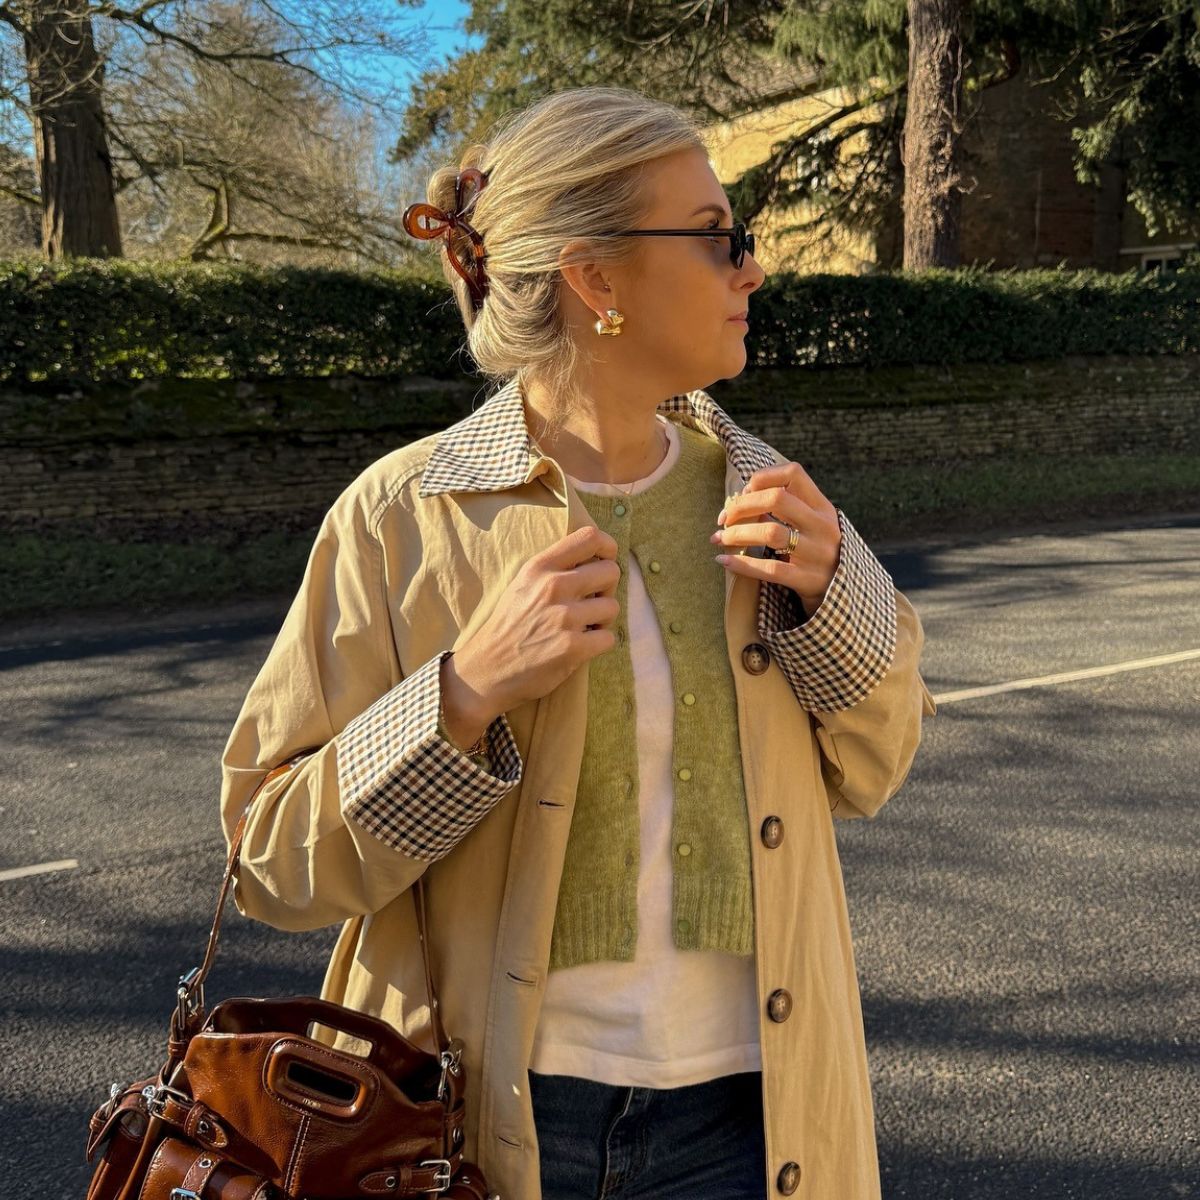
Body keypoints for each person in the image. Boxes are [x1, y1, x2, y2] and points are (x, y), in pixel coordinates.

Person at [219, 84, 936, 1200]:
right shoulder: (402, 519)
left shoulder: (772, 502)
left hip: (757, 1120)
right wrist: (461, 694)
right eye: (716, 236)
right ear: (595, 279)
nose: (752, 268)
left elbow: (877, 766)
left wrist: (837, 587)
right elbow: (267, 857)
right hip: (474, 1126)